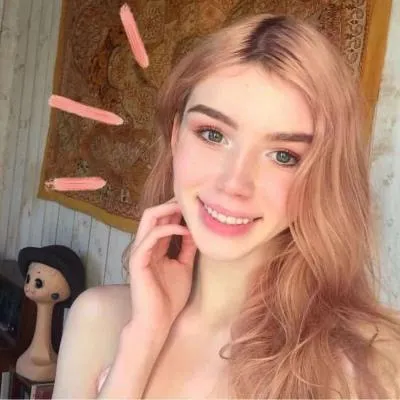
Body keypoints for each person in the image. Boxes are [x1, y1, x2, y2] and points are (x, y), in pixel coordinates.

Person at [52, 13, 400, 399]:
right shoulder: (98, 318)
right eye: (213, 134)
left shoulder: (373, 362)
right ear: (175, 136)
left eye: (284, 155)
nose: (234, 184)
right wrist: (142, 341)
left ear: (324, 175)